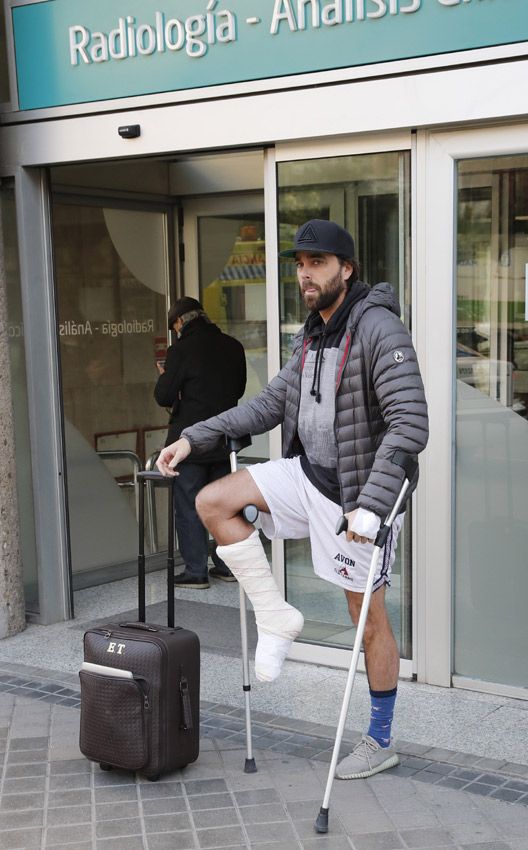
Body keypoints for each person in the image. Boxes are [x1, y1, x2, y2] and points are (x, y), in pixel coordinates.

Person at [157, 220, 428, 779]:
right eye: (300, 263)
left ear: (346, 269)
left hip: (358, 494)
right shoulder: (310, 336)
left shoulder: (380, 330)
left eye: (318, 262)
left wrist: (373, 507)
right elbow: (265, 406)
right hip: (308, 476)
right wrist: (191, 438)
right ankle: (276, 616)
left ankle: (380, 739)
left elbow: (409, 425)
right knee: (213, 501)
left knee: (366, 619)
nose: (305, 273)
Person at [154, 296, 246, 588]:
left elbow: (164, 396)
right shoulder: (233, 346)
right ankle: (227, 565)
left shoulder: (181, 350)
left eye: (175, 326)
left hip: (190, 443)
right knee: (224, 505)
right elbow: (239, 388)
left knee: (190, 503)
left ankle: (196, 570)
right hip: (225, 440)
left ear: (180, 323)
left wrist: (167, 376)